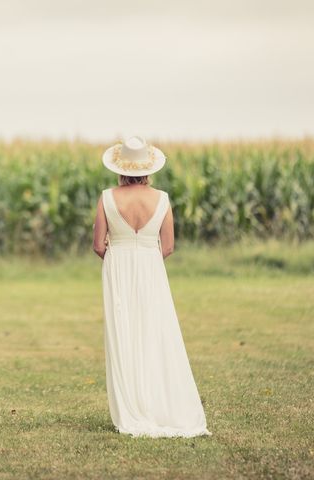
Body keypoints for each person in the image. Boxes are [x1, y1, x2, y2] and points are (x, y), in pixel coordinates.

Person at [93, 136, 211, 438]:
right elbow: (168, 246)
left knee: (124, 335)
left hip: (117, 268)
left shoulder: (107, 197)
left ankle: (132, 407)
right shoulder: (163, 199)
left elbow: (97, 245)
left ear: (120, 168)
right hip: (151, 268)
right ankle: (157, 403)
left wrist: (119, 258)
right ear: (148, 168)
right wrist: (145, 259)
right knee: (153, 333)